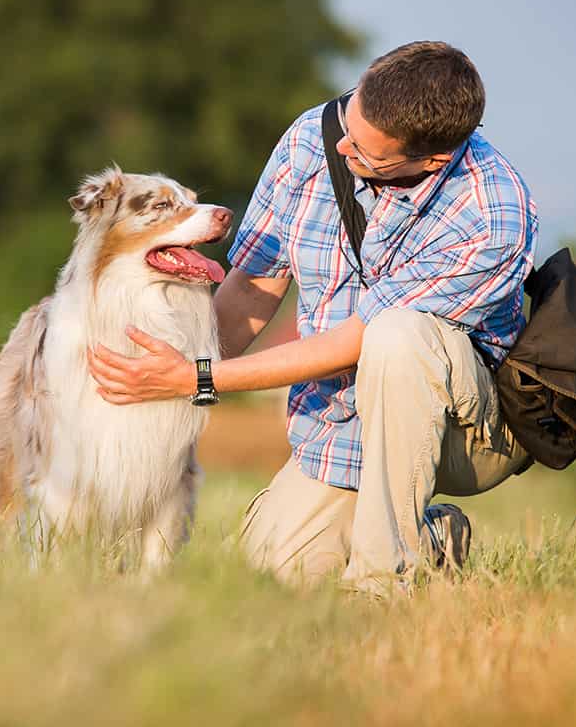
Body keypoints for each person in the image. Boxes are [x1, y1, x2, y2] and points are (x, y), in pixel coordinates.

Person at [86, 40, 537, 594]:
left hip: (465, 428)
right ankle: (434, 540)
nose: (342, 147)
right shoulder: (310, 139)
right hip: (341, 421)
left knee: (398, 335)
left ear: (433, 160)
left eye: (367, 153)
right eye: (349, 120)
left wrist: (197, 380)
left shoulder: (493, 214)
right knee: (275, 578)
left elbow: (358, 341)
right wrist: (160, 377)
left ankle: (382, 585)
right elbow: (253, 285)